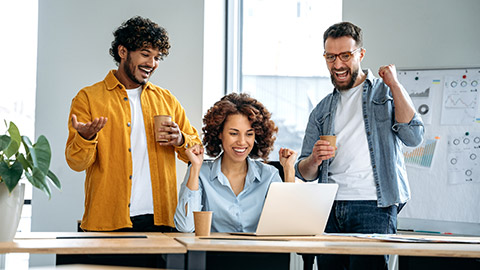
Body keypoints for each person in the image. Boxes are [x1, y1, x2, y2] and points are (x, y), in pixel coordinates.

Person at [295, 22, 424, 270]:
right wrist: (313, 159)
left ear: (360, 54)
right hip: (328, 207)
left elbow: (413, 137)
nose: (338, 64)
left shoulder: (385, 93)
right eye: (330, 57)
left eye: (346, 55)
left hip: (373, 206)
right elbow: (304, 172)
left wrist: (395, 85)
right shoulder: (321, 110)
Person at [65, 16, 201, 232]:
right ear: (123, 52)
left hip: (161, 222)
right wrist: (86, 137)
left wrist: (181, 139)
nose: (152, 64)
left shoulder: (166, 100)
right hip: (107, 222)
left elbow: (196, 151)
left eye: (157, 57)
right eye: (146, 54)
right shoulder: (88, 98)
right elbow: (76, 163)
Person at [174, 92, 297, 233]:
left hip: (260, 253)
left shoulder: (269, 175)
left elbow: (288, 226)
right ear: (219, 133)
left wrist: (289, 171)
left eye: (249, 134)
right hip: (215, 253)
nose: (242, 142)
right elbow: (185, 226)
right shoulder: (201, 173)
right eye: (234, 133)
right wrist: (195, 168)